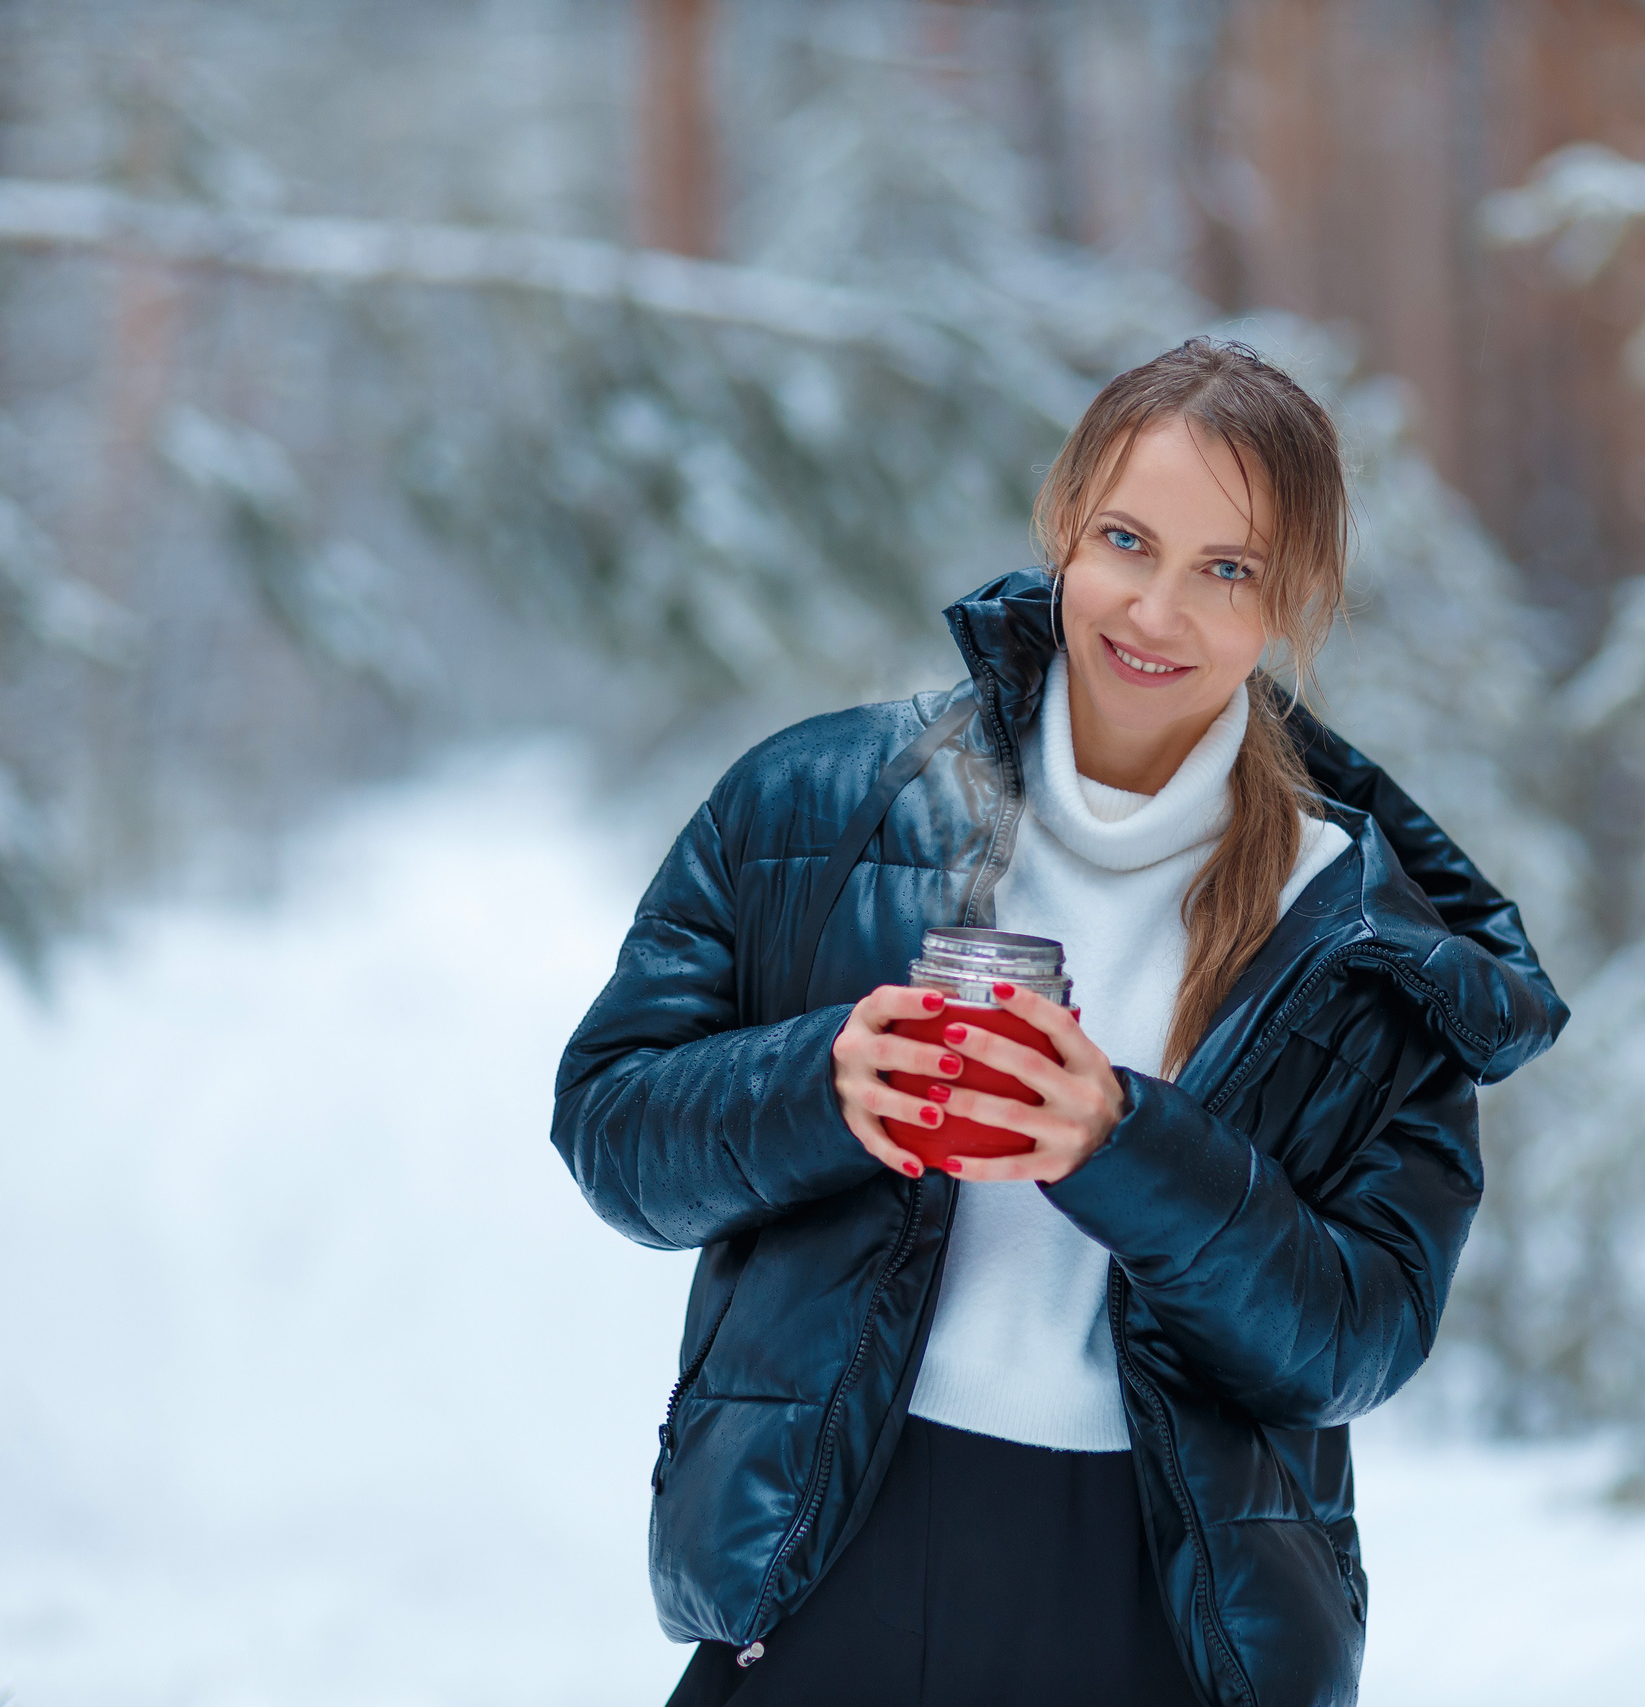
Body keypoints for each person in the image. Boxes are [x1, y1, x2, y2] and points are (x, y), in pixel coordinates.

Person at [553, 337, 1569, 1707]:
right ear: (1064, 530)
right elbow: (615, 1132)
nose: (1155, 611)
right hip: (834, 1554)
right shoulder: (815, 806)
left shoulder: (1361, 944)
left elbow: (1354, 1338)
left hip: (1153, 1600)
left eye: (1228, 570)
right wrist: (823, 1085)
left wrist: (1122, 1147)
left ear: (1295, 605)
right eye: (1128, 542)